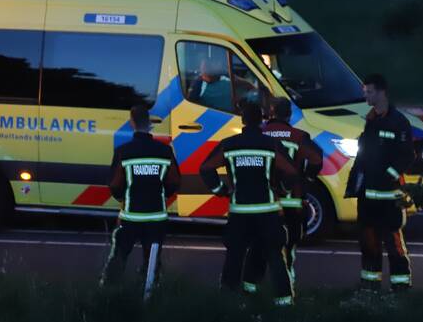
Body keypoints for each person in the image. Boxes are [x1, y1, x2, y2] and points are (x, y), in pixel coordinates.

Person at [199, 102, 298, 305]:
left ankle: (229, 301)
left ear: (243, 120)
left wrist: (221, 191)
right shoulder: (271, 145)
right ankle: (285, 303)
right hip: (268, 211)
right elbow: (292, 172)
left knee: (234, 256)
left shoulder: (229, 144)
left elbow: (206, 167)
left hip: (239, 212)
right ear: (262, 120)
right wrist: (281, 189)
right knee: (274, 256)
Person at [243, 97, 322, 294]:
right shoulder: (299, 136)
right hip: (293, 203)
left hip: (267, 203)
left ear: (270, 113)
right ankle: (288, 288)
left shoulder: (261, 134)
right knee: (288, 248)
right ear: (289, 114)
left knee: (259, 246)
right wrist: (307, 177)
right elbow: (316, 159)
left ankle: (251, 289)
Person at [344, 73, 415, 292]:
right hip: (367, 197)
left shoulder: (398, 122)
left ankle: (401, 288)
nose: (366, 94)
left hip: (388, 198)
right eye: (365, 91)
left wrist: (389, 174)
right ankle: (369, 287)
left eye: (370, 91)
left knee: (394, 246)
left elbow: (406, 156)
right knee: (368, 245)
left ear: (382, 92)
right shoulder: (371, 119)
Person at [101, 104, 181, 286]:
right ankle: (150, 293)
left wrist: (123, 198)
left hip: (130, 217)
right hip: (156, 218)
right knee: (152, 261)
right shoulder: (165, 151)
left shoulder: (124, 152)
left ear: (132, 123)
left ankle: (107, 293)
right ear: (149, 123)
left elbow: (114, 184)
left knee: (119, 257)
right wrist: (162, 195)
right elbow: (175, 181)